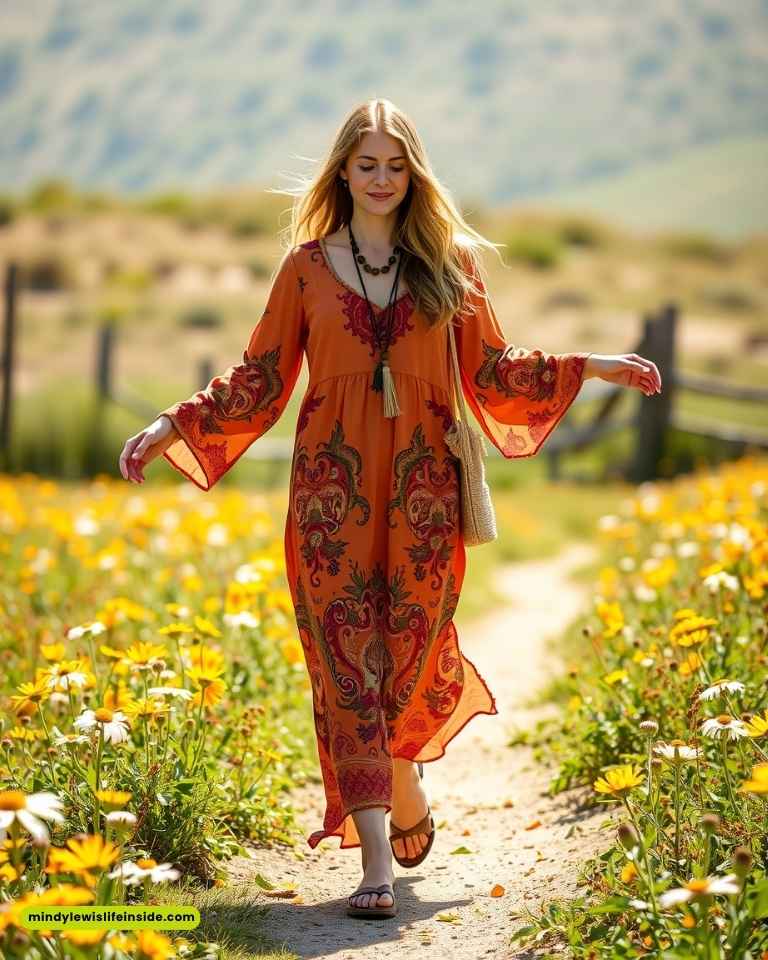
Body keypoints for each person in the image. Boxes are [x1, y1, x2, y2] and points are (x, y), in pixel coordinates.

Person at [118, 98, 661, 919]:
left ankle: (401, 768)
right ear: (343, 169)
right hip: (329, 499)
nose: (381, 178)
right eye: (366, 163)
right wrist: (173, 424)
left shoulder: (448, 265)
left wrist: (592, 366)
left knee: (405, 655)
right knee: (345, 665)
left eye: (396, 164)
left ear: (415, 172)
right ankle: (374, 858)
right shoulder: (304, 269)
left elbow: (495, 370)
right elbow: (259, 378)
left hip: (422, 496)